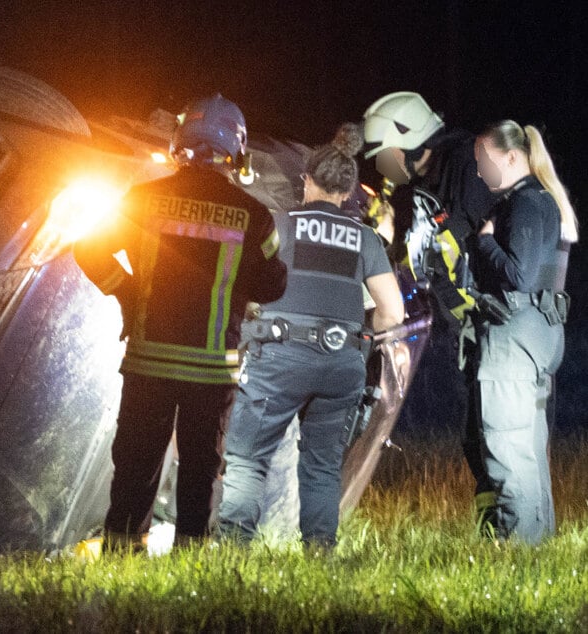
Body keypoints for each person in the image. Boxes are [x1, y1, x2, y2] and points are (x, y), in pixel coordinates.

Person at [73, 94, 287, 550]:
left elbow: (86, 248)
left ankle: (121, 554)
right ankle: (190, 563)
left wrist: (127, 291)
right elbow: (274, 287)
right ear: (237, 148)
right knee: (200, 470)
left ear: (180, 140)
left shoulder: (142, 199)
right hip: (212, 370)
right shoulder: (255, 215)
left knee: (135, 463)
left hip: (149, 360)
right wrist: (238, 285)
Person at [217, 123, 405, 548]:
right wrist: (359, 334)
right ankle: (319, 555)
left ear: (306, 181)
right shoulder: (366, 239)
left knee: (247, 462)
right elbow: (393, 312)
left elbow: (245, 288)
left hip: (278, 359)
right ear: (349, 191)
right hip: (342, 363)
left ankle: (230, 555)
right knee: (321, 468)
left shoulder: (278, 224)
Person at [362, 91, 502, 527]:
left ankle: (513, 529)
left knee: (493, 431)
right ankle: (495, 530)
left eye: (384, 156)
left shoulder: (468, 169)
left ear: (410, 140)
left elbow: (474, 244)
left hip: (495, 321)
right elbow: (423, 259)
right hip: (468, 323)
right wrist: (387, 238)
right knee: (475, 435)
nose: (383, 168)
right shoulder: (428, 182)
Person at [467, 120, 576, 544]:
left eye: (484, 161)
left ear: (511, 157)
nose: (479, 172)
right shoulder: (546, 200)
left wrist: (485, 242)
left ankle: (518, 552)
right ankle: (537, 545)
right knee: (529, 450)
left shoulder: (526, 203)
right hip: (542, 331)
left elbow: (520, 274)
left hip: (516, 333)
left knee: (508, 447)